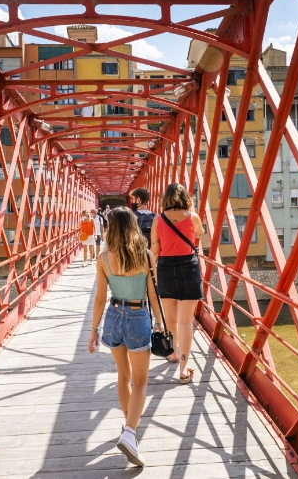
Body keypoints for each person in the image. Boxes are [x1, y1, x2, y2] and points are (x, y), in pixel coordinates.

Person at [88, 206, 163, 467]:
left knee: (124, 377)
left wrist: (93, 330)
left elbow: (99, 299)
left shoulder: (102, 258)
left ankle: (128, 426)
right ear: (133, 225)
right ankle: (130, 432)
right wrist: (160, 323)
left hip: (113, 316)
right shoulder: (146, 256)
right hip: (137, 315)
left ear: (110, 227)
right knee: (141, 381)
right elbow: (153, 295)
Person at [150, 183, 204, 384]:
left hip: (165, 269)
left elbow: (155, 251)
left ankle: (172, 354)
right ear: (185, 198)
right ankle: (183, 369)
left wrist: (152, 277)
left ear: (166, 199)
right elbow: (199, 234)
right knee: (185, 321)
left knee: (170, 320)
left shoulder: (158, 219)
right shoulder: (193, 217)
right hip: (188, 268)